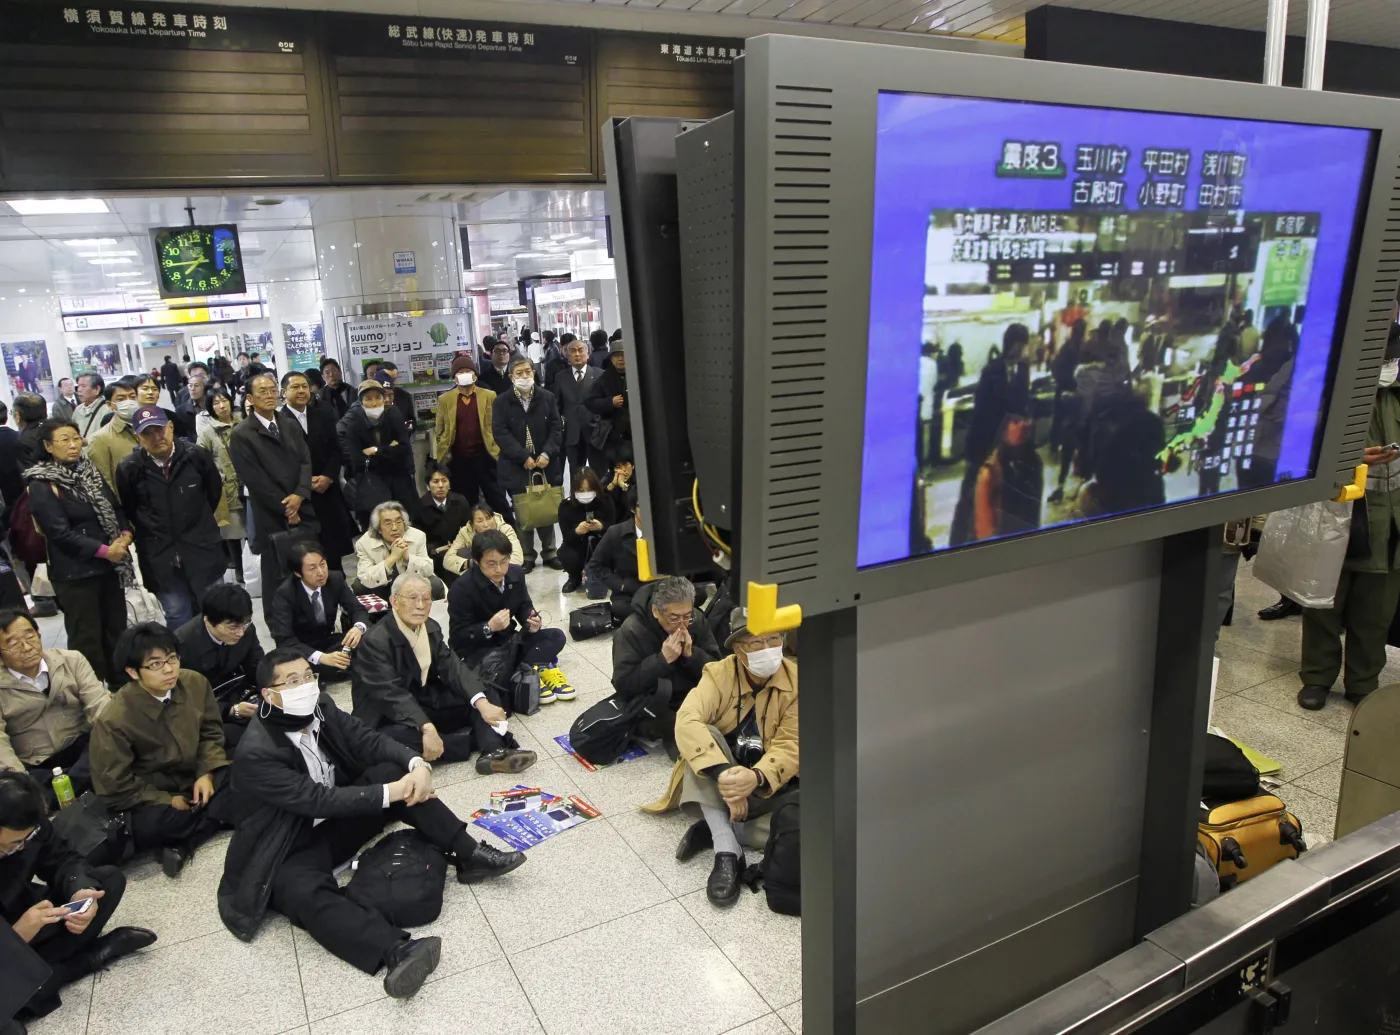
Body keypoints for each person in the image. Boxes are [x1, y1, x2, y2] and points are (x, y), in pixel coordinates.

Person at [216, 648, 526, 998]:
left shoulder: (321, 708)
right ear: (268, 696)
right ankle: (396, 951)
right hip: (287, 843)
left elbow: (366, 739)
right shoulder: (257, 751)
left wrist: (415, 764)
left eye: (307, 676)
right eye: (292, 681)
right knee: (302, 893)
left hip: (335, 820)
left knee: (393, 772)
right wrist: (390, 793)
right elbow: (316, 799)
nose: (305, 685)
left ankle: (469, 855)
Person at [643, 607, 798, 905]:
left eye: (774, 639)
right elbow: (687, 719)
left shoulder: (797, 681)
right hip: (723, 776)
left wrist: (754, 778)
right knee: (700, 740)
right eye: (757, 643)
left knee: (803, 828)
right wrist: (726, 777)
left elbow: (792, 744)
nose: (768, 649)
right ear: (740, 650)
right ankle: (726, 850)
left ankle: (715, 827)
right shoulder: (719, 673)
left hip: (770, 783)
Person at [1298, 329, 1400, 711]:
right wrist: (1352, 454)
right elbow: (1304, 440)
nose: (1386, 366)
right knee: (1325, 603)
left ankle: (1363, 681)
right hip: (1339, 514)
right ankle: (1318, 677)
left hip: (1391, 523)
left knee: (1376, 612)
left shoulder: (1395, 397)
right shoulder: (1332, 395)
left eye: (1391, 359)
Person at [0, 771, 155, 1022]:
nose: (19, 848)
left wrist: (81, 892)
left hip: (29, 909)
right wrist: (15, 938)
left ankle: (48, 970)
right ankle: (84, 961)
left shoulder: (31, 828)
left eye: (24, 840)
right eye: (11, 845)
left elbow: (62, 859)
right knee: (13, 1005)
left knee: (107, 881)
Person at [90, 623, 238, 877]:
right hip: (154, 793)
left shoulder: (194, 683)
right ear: (133, 672)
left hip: (195, 773)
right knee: (150, 825)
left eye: (172, 658)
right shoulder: (114, 720)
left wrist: (206, 772)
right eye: (155, 664)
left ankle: (182, 841)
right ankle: (211, 819)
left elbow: (211, 732)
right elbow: (113, 785)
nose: (169, 669)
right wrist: (166, 800)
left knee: (250, 770)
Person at [352, 573, 538, 774]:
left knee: (485, 691)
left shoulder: (430, 627)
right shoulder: (375, 641)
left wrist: (481, 702)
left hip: (424, 698)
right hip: (387, 714)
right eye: (412, 598)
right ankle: (475, 741)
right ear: (394, 601)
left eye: (426, 598)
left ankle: (492, 752)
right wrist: (426, 726)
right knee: (391, 739)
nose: (421, 605)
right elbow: (391, 695)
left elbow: (451, 667)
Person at [25, 420, 133, 685]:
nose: (73, 445)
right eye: (64, 440)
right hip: (75, 574)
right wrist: (105, 550)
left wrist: (125, 535)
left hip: (110, 567)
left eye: (76, 438)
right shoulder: (41, 483)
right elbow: (59, 532)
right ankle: (91, 692)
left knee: (116, 631)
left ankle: (122, 689)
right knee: (87, 638)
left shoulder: (89, 470)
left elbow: (115, 508)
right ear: (48, 446)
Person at [114, 406, 226, 630]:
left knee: (216, 612)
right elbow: (129, 508)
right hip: (160, 556)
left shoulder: (196, 456)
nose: (157, 437)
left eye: (160, 429)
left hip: (202, 549)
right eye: (148, 433)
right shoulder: (130, 468)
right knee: (177, 615)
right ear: (138, 437)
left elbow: (212, 494)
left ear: (171, 427)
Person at [228, 372, 319, 617]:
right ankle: (281, 628)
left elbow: (305, 461)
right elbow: (254, 480)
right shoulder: (242, 434)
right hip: (271, 515)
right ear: (250, 397)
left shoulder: (288, 424)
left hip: (303, 508)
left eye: (272, 390)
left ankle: (311, 619)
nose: (269, 396)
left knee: (308, 567)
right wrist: (287, 508)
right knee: (278, 577)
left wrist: (299, 495)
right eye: (262, 392)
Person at [446, 529, 574, 702]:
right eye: (491, 564)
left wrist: (532, 620)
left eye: (504, 561)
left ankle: (527, 669)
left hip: (509, 641)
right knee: (491, 665)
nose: (499, 569)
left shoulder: (515, 573)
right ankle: (533, 668)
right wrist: (488, 627)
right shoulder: (461, 588)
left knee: (556, 636)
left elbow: (524, 604)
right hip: (480, 651)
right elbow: (457, 638)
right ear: (476, 561)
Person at [0, 610, 109, 805]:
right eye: (14, 644)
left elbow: (99, 706)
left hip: (83, 749)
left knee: (109, 744)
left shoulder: (71, 660)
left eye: (30, 636)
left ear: (39, 634)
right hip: (37, 764)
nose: (26, 647)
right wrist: (22, 782)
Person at [609, 576, 718, 745]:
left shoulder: (696, 620)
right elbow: (624, 685)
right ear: (655, 611)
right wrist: (661, 661)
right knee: (683, 731)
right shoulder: (632, 630)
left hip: (691, 695)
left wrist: (693, 656)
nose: (682, 625)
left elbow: (718, 670)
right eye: (674, 618)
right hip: (654, 702)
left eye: (687, 616)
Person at [493, 355, 564, 572]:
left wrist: (546, 453)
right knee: (523, 509)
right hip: (517, 464)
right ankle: (527, 555)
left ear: (534, 372)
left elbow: (556, 428)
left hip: (544, 462)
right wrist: (522, 456)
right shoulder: (501, 401)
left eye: (527, 371)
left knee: (545, 507)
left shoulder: (547, 397)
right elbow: (500, 432)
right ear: (511, 376)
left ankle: (550, 552)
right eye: (519, 373)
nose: (524, 376)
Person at [175, 583, 264, 751]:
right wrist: (230, 710)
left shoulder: (245, 629)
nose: (240, 633)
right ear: (207, 620)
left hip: (237, 690)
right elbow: (183, 698)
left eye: (244, 624)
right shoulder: (183, 645)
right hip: (203, 705)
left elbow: (257, 665)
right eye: (232, 627)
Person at [280, 370, 354, 570]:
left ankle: (337, 591)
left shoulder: (323, 413)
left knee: (333, 552)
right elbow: (281, 462)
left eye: (304, 386)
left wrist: (329, 476)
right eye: (295, 387)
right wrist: (305, 483)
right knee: (306, 554)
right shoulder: (278, 422)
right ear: (283, 392)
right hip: (300, 495)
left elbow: (336, 450)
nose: (301, 391)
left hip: (327, 489)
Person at [268, 541, 370, 681]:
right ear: (298, 573)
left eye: (323, 564)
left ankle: (342, 667)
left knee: (369, 639)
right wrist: (322, 658)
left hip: (328, 640)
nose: (321, 572)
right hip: (302, 648)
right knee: (301, 667)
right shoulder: (285, 594)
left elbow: (357, 609)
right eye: (312, 568)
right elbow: (284, 639)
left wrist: (358, 628)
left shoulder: (335, 579)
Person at [432, 355, 512, 520]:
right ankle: (471, 535)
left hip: (486, 456)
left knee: (497, 499)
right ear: (454, 376)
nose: (464, 374)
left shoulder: (489, 395)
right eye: (460, 372)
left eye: (468, 371)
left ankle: (510, 532)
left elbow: (498, 424)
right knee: (466, 501)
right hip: (459, 459)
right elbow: (439, 429)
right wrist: (441, 452)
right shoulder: (445, 399)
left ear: (475, 374)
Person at [337, 379, 416, 527]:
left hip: (398, 481)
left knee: (406, 523)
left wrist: (376, 451)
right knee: (376, 526)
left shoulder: (394, 415)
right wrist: (390, 450)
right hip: (370, 485)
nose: (374, 403)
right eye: (368, 398)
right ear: (360, 402)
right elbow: (358, 461)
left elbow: (404, 448)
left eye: (378, 397)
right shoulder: (354, 423)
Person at [196, 385, 248, 584]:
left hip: (248, 482)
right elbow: (202, 458)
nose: (221, 405)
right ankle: (240, 568)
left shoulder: (242, 422)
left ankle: (255, 566)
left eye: (224, 400)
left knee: (251, 528)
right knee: (232, 532)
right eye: (216, 403)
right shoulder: (207, 432)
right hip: (226, 487)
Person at [971, 413, 1044, 543]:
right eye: (1015, 421)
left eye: (1026, 419)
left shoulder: (1034, 463)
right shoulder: (990, 472)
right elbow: (984, 530)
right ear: (1003, 428)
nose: (1023, 425)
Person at [353, 500, 441, 602]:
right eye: (388, 523)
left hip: (411, 585)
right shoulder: (364, 543)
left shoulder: (418, 536)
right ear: (378, 528)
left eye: (399, 522)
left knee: (435, 583)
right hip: (382, 586)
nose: (395, 528)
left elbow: (428, 569)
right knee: (358, 586)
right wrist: (392, 558)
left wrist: (408, 558)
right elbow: (365, 577)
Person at [412, 462, 472, 586]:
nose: (440, 486)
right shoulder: (420, 507)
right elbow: (417, 539)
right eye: (435, 482)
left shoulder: (460, 501)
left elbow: (469, 528)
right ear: (428, 486)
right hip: (434, 553)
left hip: (458, 548)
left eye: (444, 481)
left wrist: (459, 544)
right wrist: (436, 550)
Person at [558, 467, 615, 594]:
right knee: (566, 553)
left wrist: (601, 527)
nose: (585, 493)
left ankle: (607, 576)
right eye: (581, 490)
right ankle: (574, 577)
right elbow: (566, 537)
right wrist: (577, 531)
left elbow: (614, 527)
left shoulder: (605, 501)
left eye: (589, 489)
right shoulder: (566, 506)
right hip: (578, 545)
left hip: (601, 543)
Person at [587, 500, 644, 625]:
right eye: (642, 505)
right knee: (622, 609)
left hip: (661, 588)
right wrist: (620, 585)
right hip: (629, 591)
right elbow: (596, 564)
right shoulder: (616, 533)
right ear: (633, 508)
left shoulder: (666, 530)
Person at [554, 335, 601, 478]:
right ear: (568, 356)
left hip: (595, 434)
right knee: (575, 475)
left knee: (600, 474)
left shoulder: (599, 374)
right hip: (571, 434)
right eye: (573, 351)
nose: (577, 354)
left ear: (588, 354)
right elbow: (557, 405)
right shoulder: (560, 377)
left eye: (581, 350)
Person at [84, 375, 142, 490]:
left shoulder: (148, 428)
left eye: (132, 397)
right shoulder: (100, 438)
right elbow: (104, 481)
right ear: (110, 405)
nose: (129, 402)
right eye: (121, 399)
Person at [585, 338, 632, 475]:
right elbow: (590, 402)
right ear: (611, 359)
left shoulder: (639, 374)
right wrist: (609, 402)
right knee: (616, 473)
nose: (620, 359)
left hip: (637, 434)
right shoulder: (605, 379)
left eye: (623, 355)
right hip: (614, 437)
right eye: (616, 356)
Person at [441, 502, 523, 578]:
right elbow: (447, 559)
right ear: (472, 524)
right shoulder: (465, 532)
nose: (486, 525)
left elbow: (518, 557)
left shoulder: (505, 529)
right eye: (480, 521)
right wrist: (470, 563)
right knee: (461, 552)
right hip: (477, 569)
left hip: (502, 571)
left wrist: (494, 567)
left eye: (488, 518)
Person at [375, 362, 416, 435]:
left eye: (393, 379)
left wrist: (404, 429)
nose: (390, 382)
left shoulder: (404, 396)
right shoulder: (366, 397)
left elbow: (412, 422)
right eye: (387, 378)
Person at [70, 374, 107, 441]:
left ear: (96, 389)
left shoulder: (107, 409)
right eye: (78, 386)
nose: (79, 390)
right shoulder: (78, 409)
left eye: (83, 386)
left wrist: (87, 442)